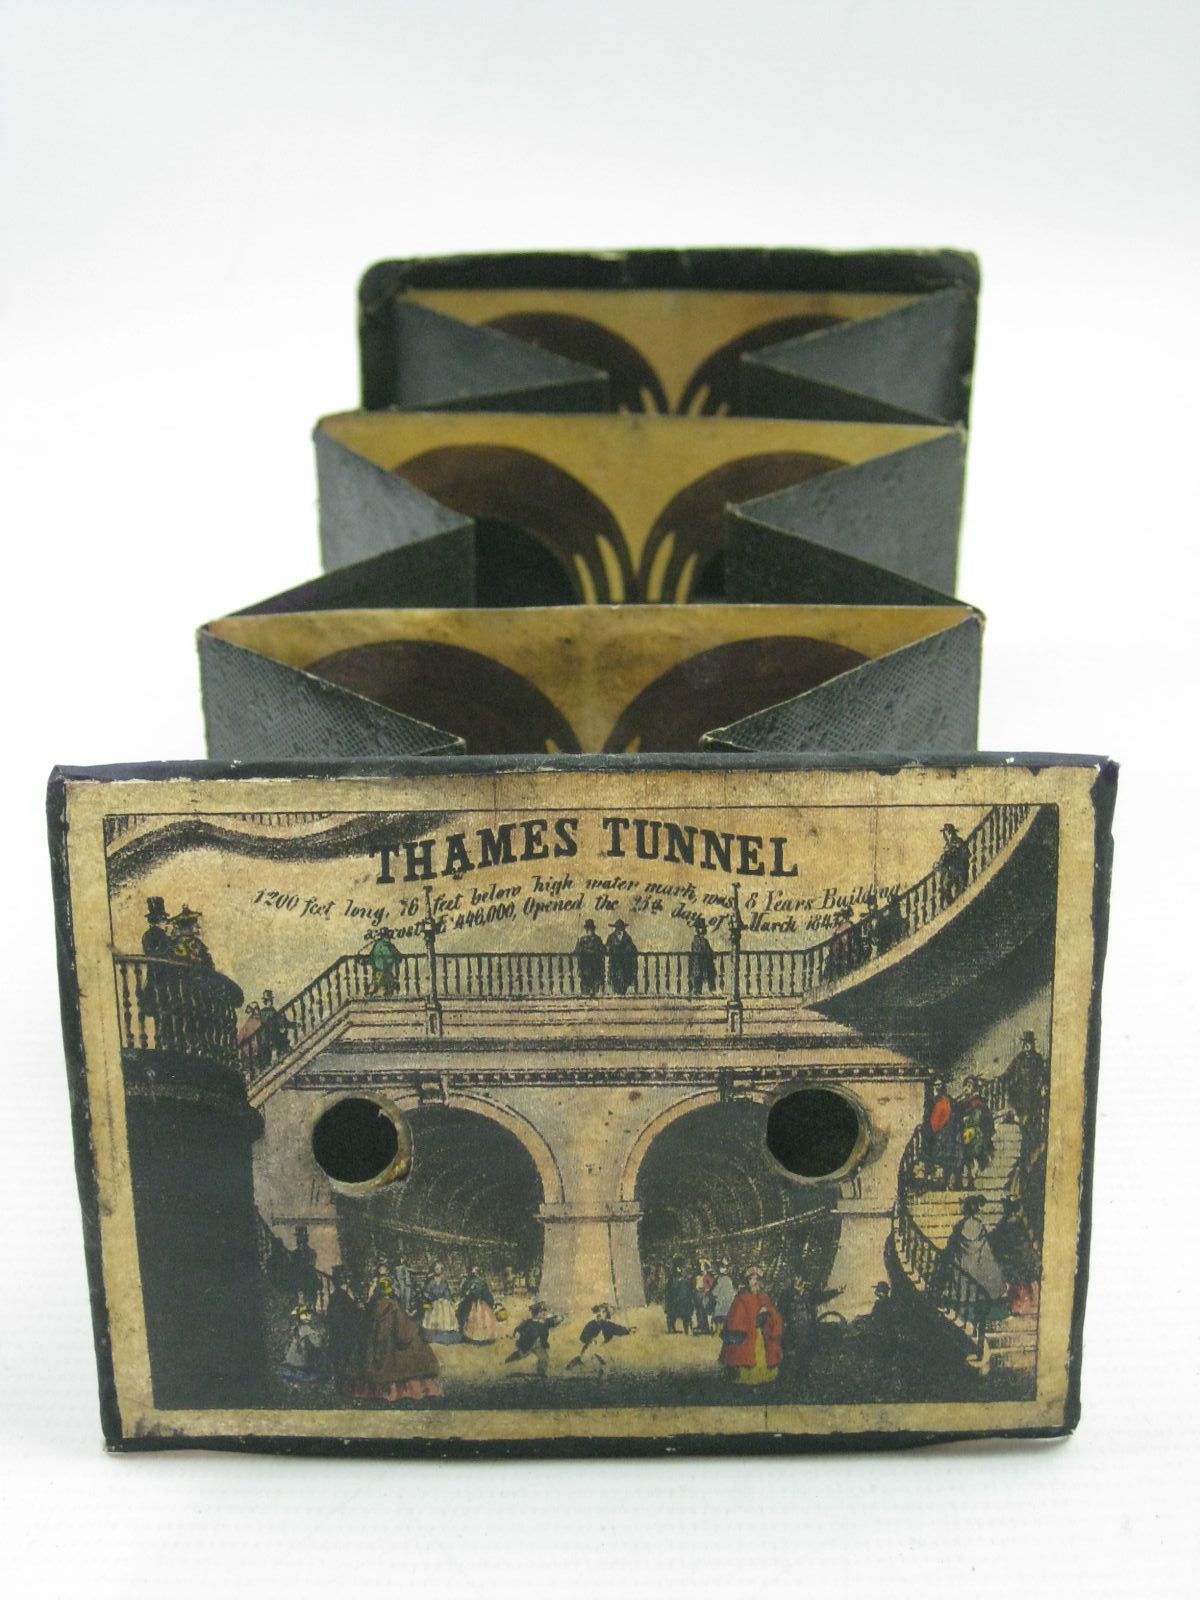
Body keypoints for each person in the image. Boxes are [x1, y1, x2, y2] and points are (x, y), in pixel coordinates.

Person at [351, 1275, 442, 1402]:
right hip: (391, 1351)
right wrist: (414, 1325)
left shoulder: (371, 1307)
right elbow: (404, 1335)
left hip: (375, 1349)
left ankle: (379, 1392)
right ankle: (401, 1392)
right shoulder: (393, 1307)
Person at [936, 1194, 1007, 1316]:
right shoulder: (980, 1226)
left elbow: (952, 1245)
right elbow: (985, 1247)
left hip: (964, 1264)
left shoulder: (960, 1226)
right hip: (978, 1263)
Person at [719, 1268, 784, 1386]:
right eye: (751, 1279)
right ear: (746, 1281)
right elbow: (735, 1321)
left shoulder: (764, 1297)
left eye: (757, 1279)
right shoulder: (741, 1299)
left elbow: (775, 1314)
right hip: (748, 1336)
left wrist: (768, 1311)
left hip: (761, 1336)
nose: (754, 1282)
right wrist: (754, 1319)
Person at [778, 1273, 839, 1383]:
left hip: (809, 1330)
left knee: (807, 1355)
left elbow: (822, 1296)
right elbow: (780, 1313)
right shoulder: (786, 1295)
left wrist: (837, 1291)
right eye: (797, 1276)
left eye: (800, 1277)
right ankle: (793, 1380)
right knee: (794, 1357)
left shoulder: (809, 1293)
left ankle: (804, 1378)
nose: (798, 1279)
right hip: (794, 1331)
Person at [324, 1265, 363, 1392]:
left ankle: (340, 1379)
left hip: (338, 1332)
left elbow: (330, 1317)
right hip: (345, 1332)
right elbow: (353, 1314)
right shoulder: (343, 1297)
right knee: (344, 1355)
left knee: (339, 1355)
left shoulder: (336, 1297)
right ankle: (342, 1381)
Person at [565, 1304, 635, 1371]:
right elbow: (582, 1337)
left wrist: (628, 1331)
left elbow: (617, 1329)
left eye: (606, 1312)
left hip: (600, 1348)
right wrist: (591, 1340)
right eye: (603, 1312)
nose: (605, 1314)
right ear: (598, 1313)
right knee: (585, 1361)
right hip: (590, 1348)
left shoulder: (607, 1324)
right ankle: (572, 1366)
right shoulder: (591, 1324)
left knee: (608, 1365)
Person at [1003, 1031, 1047, 1132]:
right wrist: (1003, 1077)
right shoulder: (1019, 1057)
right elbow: (1009, 1070)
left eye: (1028, 1043)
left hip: (1032, 1090)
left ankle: (1029, 1129)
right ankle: (1021, 1125)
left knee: (1031, 1116)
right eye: (1024, 1043)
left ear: (1032, 1044)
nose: (1026, 1045)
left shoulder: (1037, 1058)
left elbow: (1042, 1074)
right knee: (1016, 1105)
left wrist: (1039, 1086)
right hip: (1020, 1089)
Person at [505, 1302, 562, 1378]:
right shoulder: (532, 1322)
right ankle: (506, 1363)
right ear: (538, 1313)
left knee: (544, 1358)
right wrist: (515, 1336)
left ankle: (541, 1373)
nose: (545, 1313)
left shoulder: (542, 1322)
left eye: (545, 1311)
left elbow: (557, 1320)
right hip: (527, 1344)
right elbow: (518, 1329)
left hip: (537, 1344)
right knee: (521, 1354)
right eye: (543, 1311)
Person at [278, 1304, 327, 1387]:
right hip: (300, 1369)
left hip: (292, 1369)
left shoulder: (290, 1328)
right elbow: (318, 1343)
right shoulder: (305, 1329)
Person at [959, 1076, 995, 1189]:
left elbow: (980, 1118)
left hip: (975, 1134)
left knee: (973, 1157)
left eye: (969, 1086)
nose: (966, 1089)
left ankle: (972, 1179)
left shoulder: (977, 1102)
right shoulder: (963, 1102)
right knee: (966, 1159)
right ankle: (967, 1181)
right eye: (965, 1086)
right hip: (965, 1133)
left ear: (974, 1088)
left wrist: (967, 1120)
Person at [926, 1079, 962, 1188]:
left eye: (940, 1085)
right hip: (936, 1133)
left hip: (947, 1133)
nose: (938, 1087)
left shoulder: (948, 1100)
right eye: (936, 1085)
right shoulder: (931, 1101)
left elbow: (951, 1115)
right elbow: (931, 1118)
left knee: (950, 1159)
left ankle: (951, 1182)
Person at [457, 1265, 499, 1345]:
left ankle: (480, 1337)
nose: (475, 1273)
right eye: (474, 1271)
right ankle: (475, 1337)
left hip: (478, 1303)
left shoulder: (477, 1282)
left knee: (481, 1319)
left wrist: (490, 1302)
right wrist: (490, 1302)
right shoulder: (471, 1282)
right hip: (473, 1303)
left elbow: (486, 1294)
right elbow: (464, 1293)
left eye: (476, 1271)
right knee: (474, 1319)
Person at [420, 1262, 461, 1344]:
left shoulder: (444, 1281)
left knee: (444, 1316)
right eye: (436, 1268)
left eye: (440, 1268)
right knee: (433, 1318)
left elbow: (447, 1292)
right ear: (433, 1269)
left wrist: (450, 1301)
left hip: (443, 1302)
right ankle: (434, 1337)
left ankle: (443, 1338)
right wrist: (431, 1299)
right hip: (433, 1302)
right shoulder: (430, 1281)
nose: (438, 1270)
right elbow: (425, 1292)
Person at [937, 823, 971, 903]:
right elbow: (945, 858)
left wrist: (954, 853)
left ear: (950, 832)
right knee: (945, 886)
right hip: (952, 871)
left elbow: (966, 854)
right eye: (944, 833)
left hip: (960, 870)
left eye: (945, 833)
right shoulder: (947, 845)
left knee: (960, 890)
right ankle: (951, 903)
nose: (944, 836)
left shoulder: (958, 841)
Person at [574, 918, 606, 997]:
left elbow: (603, 950)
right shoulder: (582, 940)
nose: (590, 931)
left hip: (596, 969)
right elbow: (576, 952)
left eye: (591, 929)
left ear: (593, 929)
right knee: (585, 992)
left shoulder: (598, 939)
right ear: (586, 930)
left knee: (596, 991)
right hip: (585, 969)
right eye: (588, 929)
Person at [366, 927, 402, 997]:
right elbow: (377, 958)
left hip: (386, 971)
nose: (387, 938)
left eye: (387, 936)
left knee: (389, 988)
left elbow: (398, 956)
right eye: (385, 936)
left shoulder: (390, 946)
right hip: (379, 971)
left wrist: (396, 958)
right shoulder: (379, 946)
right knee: (377, 988)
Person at [256, 989, 290, 1065]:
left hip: (272, 1036)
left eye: (271, 999)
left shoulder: (272, 1010)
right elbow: (266, 1023)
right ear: (266, 1001)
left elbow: (280, 1020)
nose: (271, 1001)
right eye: (269, 1000)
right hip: (267, 1037)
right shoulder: (264, 1012)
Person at [606, 919, 638, 995]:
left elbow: (633, 949)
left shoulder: (627, 938)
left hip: (625, 964)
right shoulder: (611, 937)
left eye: (621, 927)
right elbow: (607, 948)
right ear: (615, 928)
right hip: (614, 963)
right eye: (618, 927)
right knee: (615, 981)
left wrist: (628, 950)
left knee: (624, 981)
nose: (619, 928)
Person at [687, 917, 717, 995]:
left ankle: (712, 990)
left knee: (711, 972)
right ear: (697, 929)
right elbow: (699, 950)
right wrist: (708, 953)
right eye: (700, 928)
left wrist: (712, 954)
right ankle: (697, 990)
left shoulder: (705, 940)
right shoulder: (696, 940)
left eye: (703, 928)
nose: (702, 930)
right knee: (698, 975)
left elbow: (709, 950)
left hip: (705, 962)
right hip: (698, 962)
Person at [664, 1262, 693, 1333]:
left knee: (686, 1315)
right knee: (672, 1314)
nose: (679, 1269)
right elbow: (668, 1289)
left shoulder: (685, 1278)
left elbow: (689, 1289)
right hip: (674, 1299)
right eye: (677, 1268)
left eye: (680, 1268)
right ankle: (671, 1328)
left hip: (684, 1300)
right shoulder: (672, 1278)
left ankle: (688, 1328)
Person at [711, 1260, 736, 1331]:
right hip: (728, 1302)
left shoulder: (720, 1279)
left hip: (722, 1302)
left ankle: (718, 1330)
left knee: (719, 1316)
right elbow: (733, 1291)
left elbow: (715, 1291)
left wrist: (713, 1294)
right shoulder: (729, 1279)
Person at [692, 1260, 715, 1335]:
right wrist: (696, 1290)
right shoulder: (697, 1277)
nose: (701, 1269)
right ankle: (700, 1325)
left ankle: (706, 1327)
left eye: (703, 1267)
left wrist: (707, 1289)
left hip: (705, 1295)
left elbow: (711, 1286)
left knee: (705, 1310)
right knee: (699, 1311)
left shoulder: (708, 1277)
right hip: (698, 1295)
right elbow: (694, 1286)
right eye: (700, 1267)